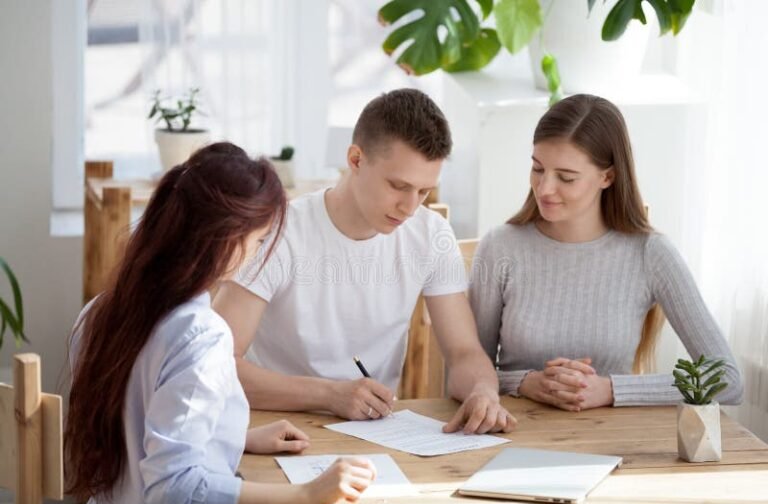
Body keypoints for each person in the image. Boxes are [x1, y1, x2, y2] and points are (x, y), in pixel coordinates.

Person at [65, 143, 376, 504]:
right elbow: (175, 491)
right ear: (228, 239)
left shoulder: (100, 312)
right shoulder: (202, 336)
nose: (258, 253)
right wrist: (309, 494)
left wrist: (234, 438)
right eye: (259, 240)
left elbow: (140, 428)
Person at [214, 89, 516, 434]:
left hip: (374, 433)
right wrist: (329, 395)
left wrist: (483, 392)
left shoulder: (431, 234)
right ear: (356, 160)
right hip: (272, 430)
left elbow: (464, 352)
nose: (409, 207)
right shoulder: (278, 234)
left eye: (423, 192)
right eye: (398, 186)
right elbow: (213, 364)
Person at [469, 94, 743, 411]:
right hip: (513, 429)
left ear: (607, 177)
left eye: (566, 177)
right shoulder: (500, 247)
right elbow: (466, 372)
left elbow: (727, 380)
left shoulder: (650, 254)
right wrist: (526, 383)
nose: (544, 188)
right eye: (538, 168)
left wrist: (612, 389)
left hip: (613, 436)